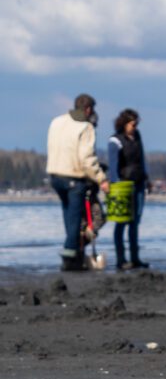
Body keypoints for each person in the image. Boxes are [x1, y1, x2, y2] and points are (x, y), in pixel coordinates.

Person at [46, 93, 109, 270]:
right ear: (88, 109)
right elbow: (87, 159)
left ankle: (74, 253)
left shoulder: (57, 121)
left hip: (55, 176)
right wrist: (102, 179)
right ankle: (70, 256)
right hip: (74, 178)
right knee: (75, 218)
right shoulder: (85, 127)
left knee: (69, 215)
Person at [107, 109, 150, 270]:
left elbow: (142, 158)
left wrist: (147, 177)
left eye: (137, 124)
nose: (135, 127)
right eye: (133, 124)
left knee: (135, 222)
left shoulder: (137, 136)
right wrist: (115, 184)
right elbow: (113, 166)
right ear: (124, 123)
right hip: (123, 187)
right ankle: (120, 259)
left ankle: (135, 258)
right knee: (121, 222)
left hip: (139, 184)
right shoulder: (115, 140)